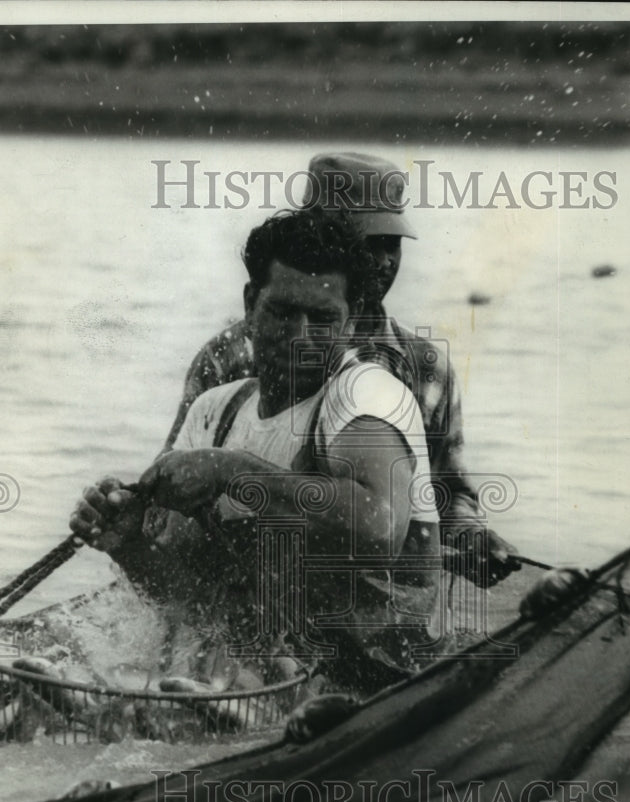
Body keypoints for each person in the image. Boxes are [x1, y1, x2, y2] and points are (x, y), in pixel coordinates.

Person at [71, 208, 443, 695]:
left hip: (381, 678)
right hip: (271, 675)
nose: (301, 337)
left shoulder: (369, 394)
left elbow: (378, 528)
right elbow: (188, 599)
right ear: (251, 303)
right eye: (284, 312)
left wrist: (233, 471)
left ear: (350, 323)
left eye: (323, 319)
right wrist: (128, 546)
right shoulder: (214, 412)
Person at [162, 151, 518, 588]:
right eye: (366, 243)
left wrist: (473, 537)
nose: (382, 261)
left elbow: (450, 493)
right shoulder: (230, 358)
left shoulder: (426, 367)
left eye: (391, 244)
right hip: (242, 578)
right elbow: (179, 478)